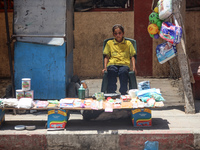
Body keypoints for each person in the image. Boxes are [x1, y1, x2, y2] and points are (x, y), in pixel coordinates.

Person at [102, 24, 136, 95]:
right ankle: (111, 92)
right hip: (112, 63)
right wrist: (105, 67)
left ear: (123, 33)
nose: (118, 35)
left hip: (124, 64)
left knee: (123, 72)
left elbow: (132, 56)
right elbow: (106, 56)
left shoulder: (128, 43)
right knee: (111, 71)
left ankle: (123, 92)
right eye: (116, 33)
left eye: (119, 33)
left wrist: (134, 67)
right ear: (113, 34)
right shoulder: (109, 43)